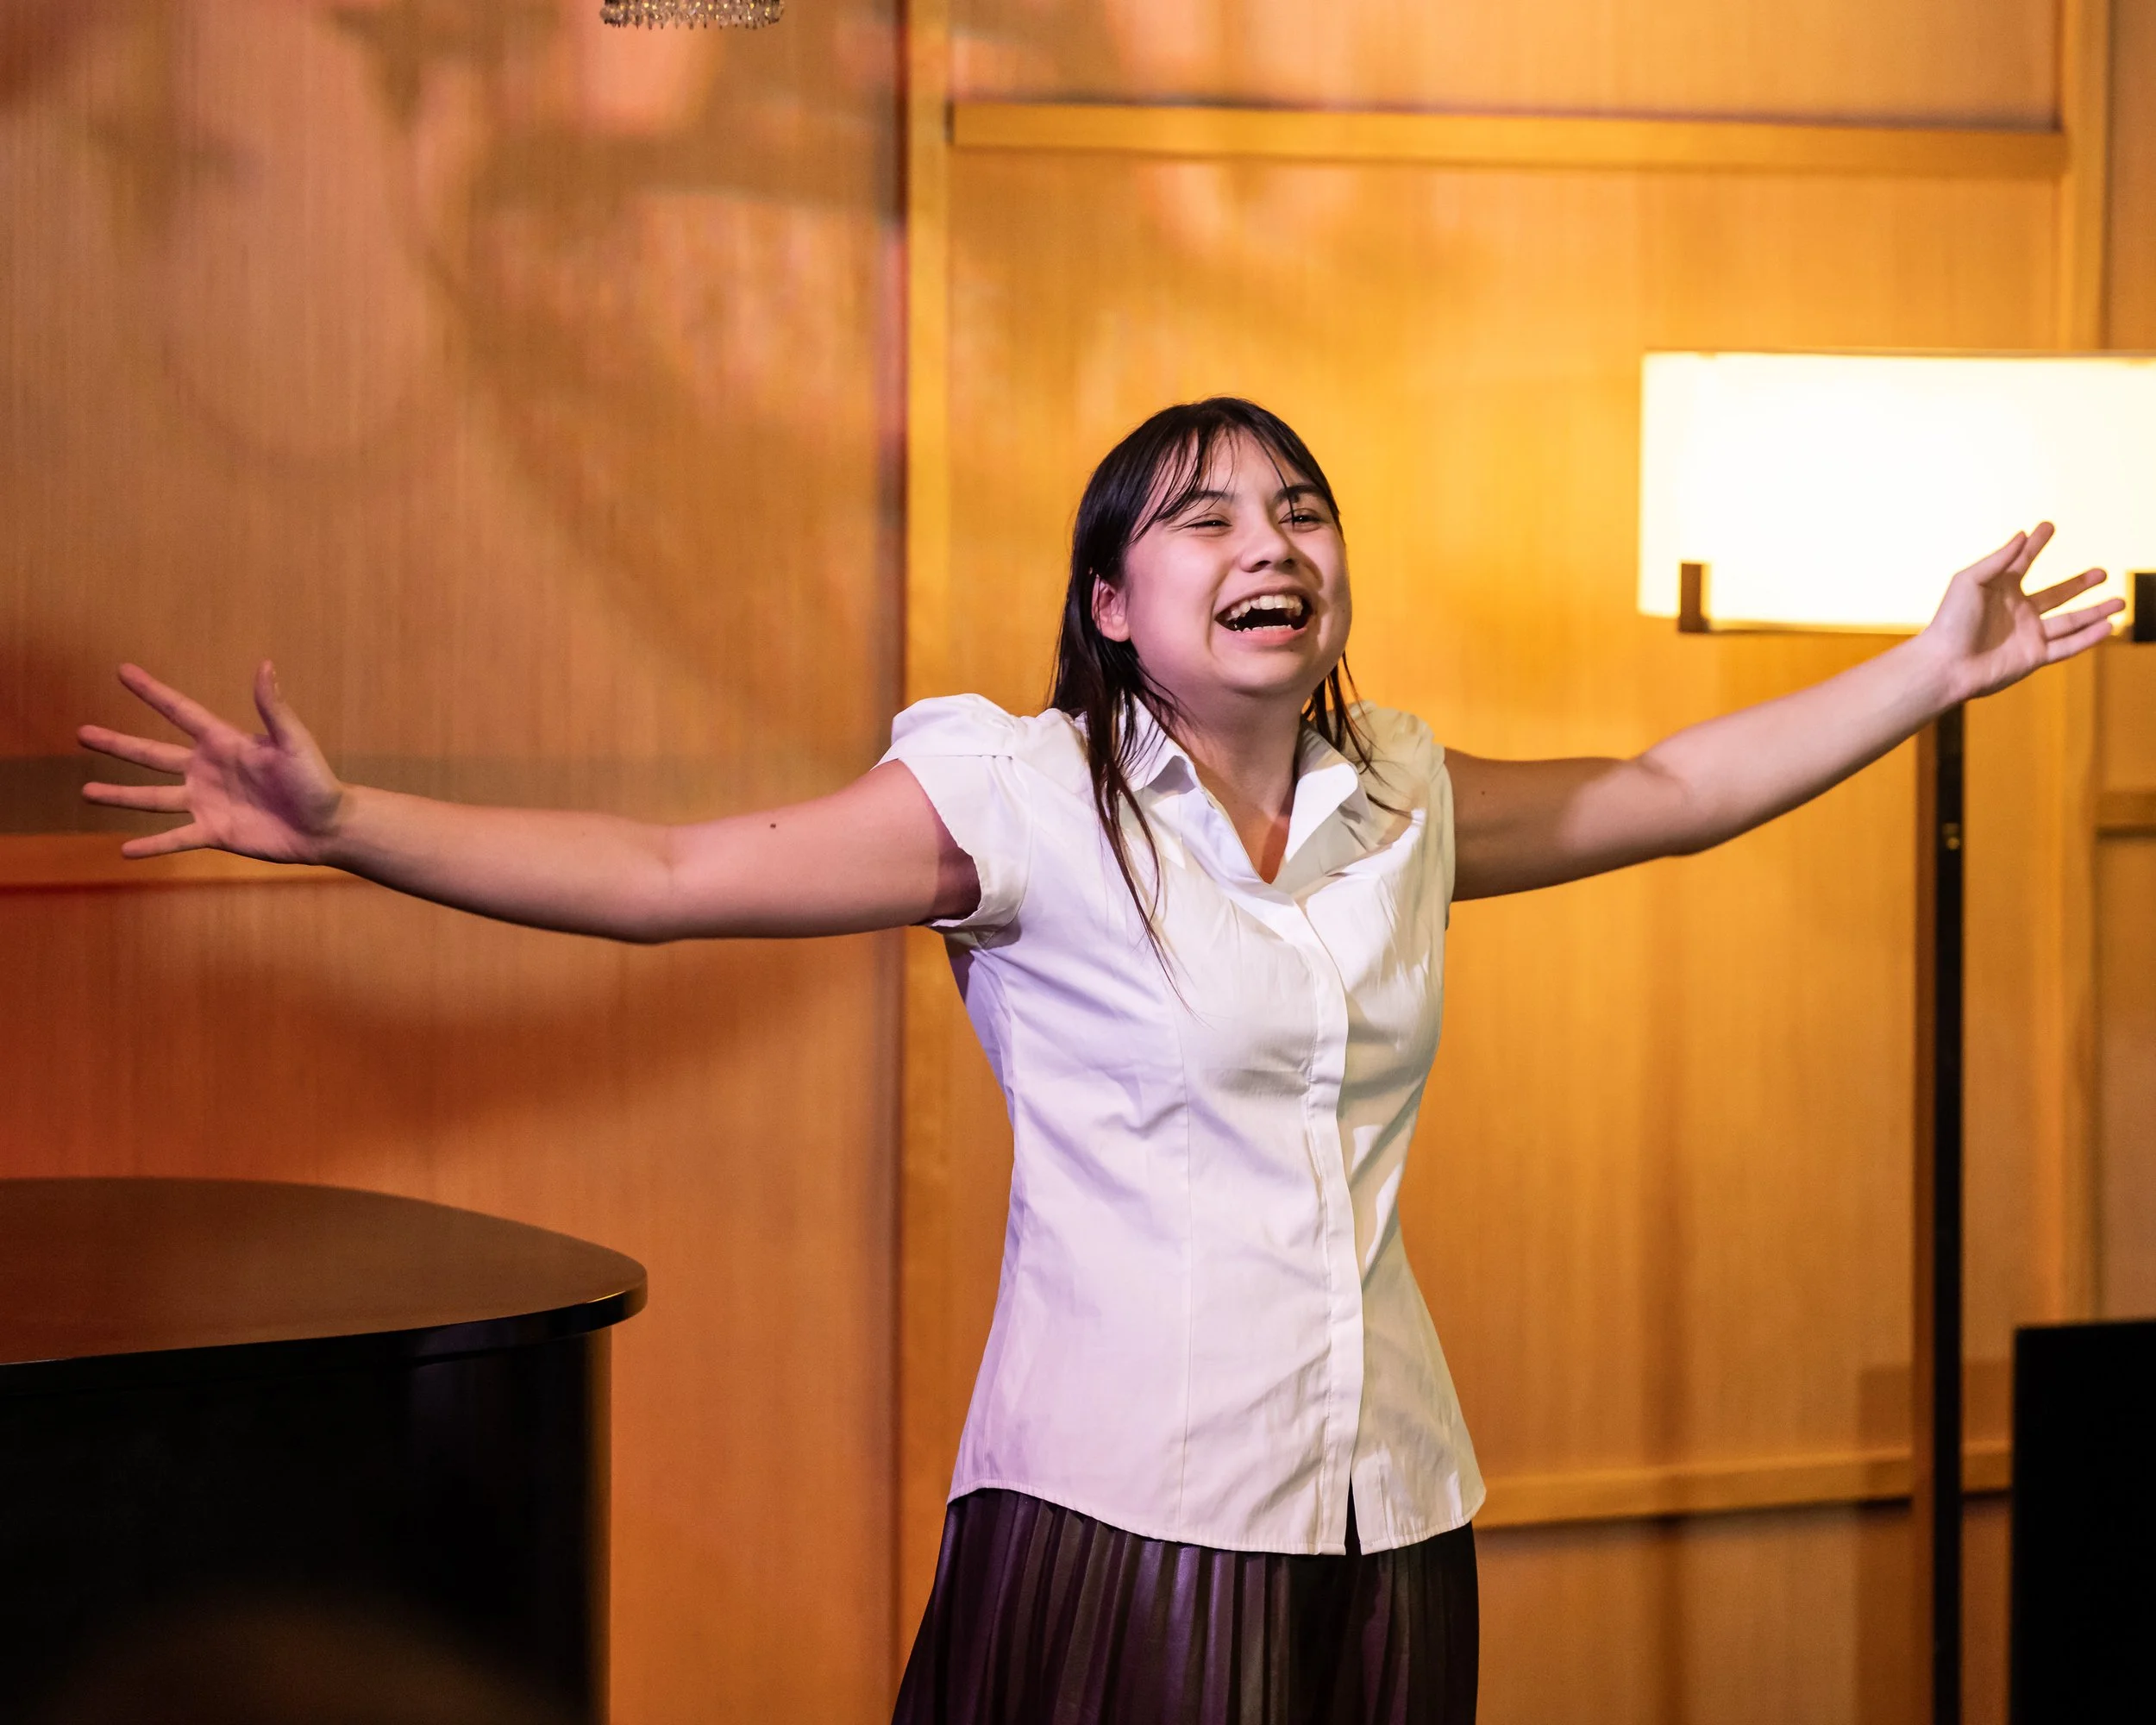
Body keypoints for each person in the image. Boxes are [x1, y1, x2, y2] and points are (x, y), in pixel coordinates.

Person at [79, 398, 2118, 1725]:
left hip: (1389, 1503)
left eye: (1301, 506)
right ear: (1111, 599)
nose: (1272, 539)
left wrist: (1926, 671)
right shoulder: (1023, 796)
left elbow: (1668, 783)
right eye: (1205, 514)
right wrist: (354, 827)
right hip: (1128, 1514)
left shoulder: (1390, 790)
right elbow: (667, 871)